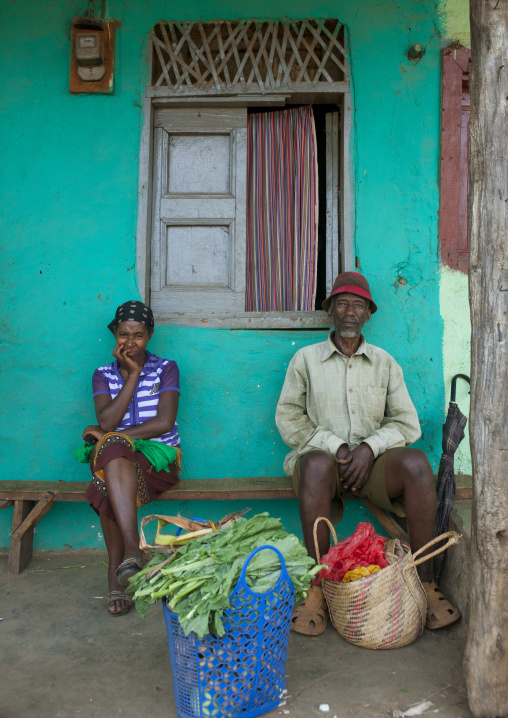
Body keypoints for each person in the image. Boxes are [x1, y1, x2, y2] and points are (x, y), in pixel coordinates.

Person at [275, 272, 460, 635]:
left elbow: (407, 424)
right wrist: (337, 447)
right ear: (330, 311)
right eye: (341, 304)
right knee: (313, 464)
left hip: (371, 468)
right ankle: (317, 589)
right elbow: (288, 418)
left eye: (357, 306)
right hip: (323, 469)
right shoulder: (306, 359)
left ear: (367, 315)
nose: (349, 312)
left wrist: (368, 449)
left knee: (417, 464)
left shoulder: (384, 362)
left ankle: (424, 583)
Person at [82, 300, 181, 616]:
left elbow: (163, 423)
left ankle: (118, 573)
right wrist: (133, 376)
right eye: (123, 334)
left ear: (150, 335)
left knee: (106, 462)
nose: (130, 342)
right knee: (110, 462)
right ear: (114, 334)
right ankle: (132, 552)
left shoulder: (167, 369)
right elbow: (109, 420)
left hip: (161, 459)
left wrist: (113, 436)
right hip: (117, 459)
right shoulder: (102, 375)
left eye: (138, 335)